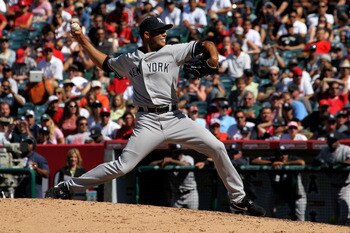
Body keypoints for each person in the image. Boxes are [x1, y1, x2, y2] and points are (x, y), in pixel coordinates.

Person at [46, 16, 265, 217]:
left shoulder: (172, 51)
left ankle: (238, 199)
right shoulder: (130, 58)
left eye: (165, 30)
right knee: (123, 166)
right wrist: (82, 41)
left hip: (175, 117)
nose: (164, 33)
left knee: (217, 147)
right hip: (147, 122)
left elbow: (204, 44)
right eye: (159, 31)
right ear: (146, 35)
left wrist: (214, 58)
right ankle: (68, 186)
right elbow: (105, 63)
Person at [251, 145, 306, 221]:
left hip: (297, 195)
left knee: (300, 220)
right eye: (280, 154)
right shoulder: (273, 159)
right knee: (270, 200)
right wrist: (271, 163)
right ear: (277, 154)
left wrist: (284, 164)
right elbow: (254, 161)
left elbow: (302, 162)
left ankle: (291, 217)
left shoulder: (292, 158)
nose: (283, 156)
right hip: (280, 194)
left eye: (285, 153)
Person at [313, 132, 350, 225]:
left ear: (338, 141)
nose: (332, 143)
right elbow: (316, 160)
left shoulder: (345, 149)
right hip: (333, 186)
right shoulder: (325, 150)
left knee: (344, 215)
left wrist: (338, 164)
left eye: (334, 141)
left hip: (345, 186)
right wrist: (320, 162)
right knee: (336, 215)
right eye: (330, 141)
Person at [150, 144, 199, 210]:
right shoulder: (167, 161)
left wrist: (172, 161)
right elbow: (151, 164)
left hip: (190, 193)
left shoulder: (188, 158)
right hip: (176, 195)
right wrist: (162, 161)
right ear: (171, 152)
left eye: (180, 152)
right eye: (176, 152)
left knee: (194, 216)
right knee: (174, 217)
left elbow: (187, 165)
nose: (179, 154)